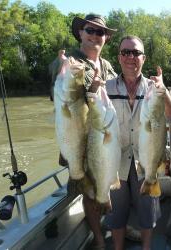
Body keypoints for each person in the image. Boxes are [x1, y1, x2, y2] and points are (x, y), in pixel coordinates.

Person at [99, 35, 171, 250]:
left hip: (148, 160)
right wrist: (91, 90)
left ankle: (146, 247)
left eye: (136, 53)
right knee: (116, 213)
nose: (131, 57)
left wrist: (164, 93)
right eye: (126, 52)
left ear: (143, 58)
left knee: (148, 212)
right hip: (116, 160)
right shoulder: (105, 88)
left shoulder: (155, 87)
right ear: (119, 57)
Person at [52, 13, 118, 249]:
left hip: (104, 134)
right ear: (80, 33)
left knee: (109, 181)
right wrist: (60, 69)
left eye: (100, 32)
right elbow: (58, 92)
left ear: (106, 38)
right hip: (79, 139)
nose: (95, 36)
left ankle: (115, 226)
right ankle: (99, 238)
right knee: (89, 194)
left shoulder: (108, 66)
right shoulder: (68, 61)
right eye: (90, 30)